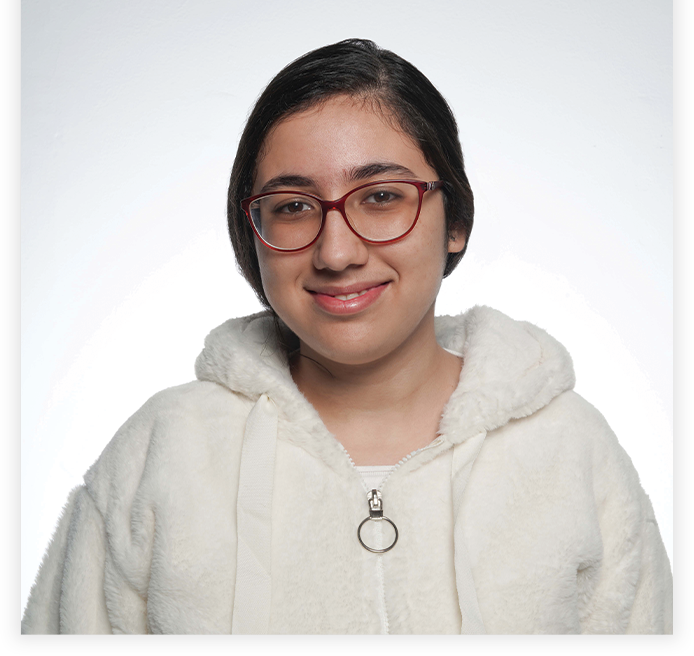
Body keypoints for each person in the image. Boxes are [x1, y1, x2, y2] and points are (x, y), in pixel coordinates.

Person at [21, 38, 672, 635]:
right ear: (253, 235)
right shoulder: (162, 452)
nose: (336, 252)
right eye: (293, 206)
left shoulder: (571, 449)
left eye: (381, 197)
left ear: (455, 221)